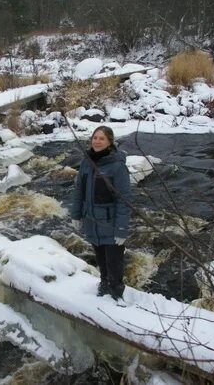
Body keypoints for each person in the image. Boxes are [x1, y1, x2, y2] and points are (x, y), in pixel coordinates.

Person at [71, 126, 131, 300]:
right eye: (95, 138)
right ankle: (104, 284)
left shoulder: (117, 167)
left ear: (110, 142)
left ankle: (116, 294)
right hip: (92, 222)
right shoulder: (86, 162)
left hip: (110, 224)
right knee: (101, 261)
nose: (97, 141)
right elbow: (79, 191)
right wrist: (76, 214)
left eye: (102, 138)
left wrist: (121, 229)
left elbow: (124, 200)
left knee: (114, 264)